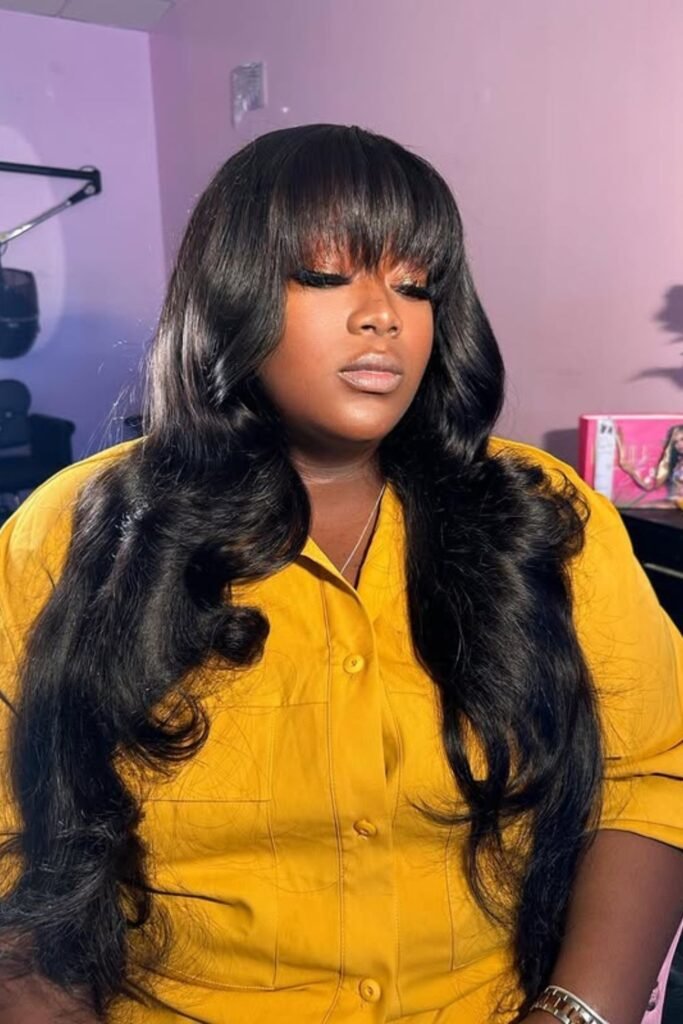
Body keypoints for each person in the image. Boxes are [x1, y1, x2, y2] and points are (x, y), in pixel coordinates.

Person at [0, 124, 681, 1024]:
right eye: (324, 277)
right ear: (229, 294)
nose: (382, 315)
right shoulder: (70, 531)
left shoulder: (544, 518)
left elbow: (651, 775)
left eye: (415, 284)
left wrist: (571, 1013)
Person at [615, 423, 683, 504]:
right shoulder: (672, 465)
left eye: (682, 439)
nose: (679, 444)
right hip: (673, 504)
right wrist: (621, 447)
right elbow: (649, 486)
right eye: (675, 442)